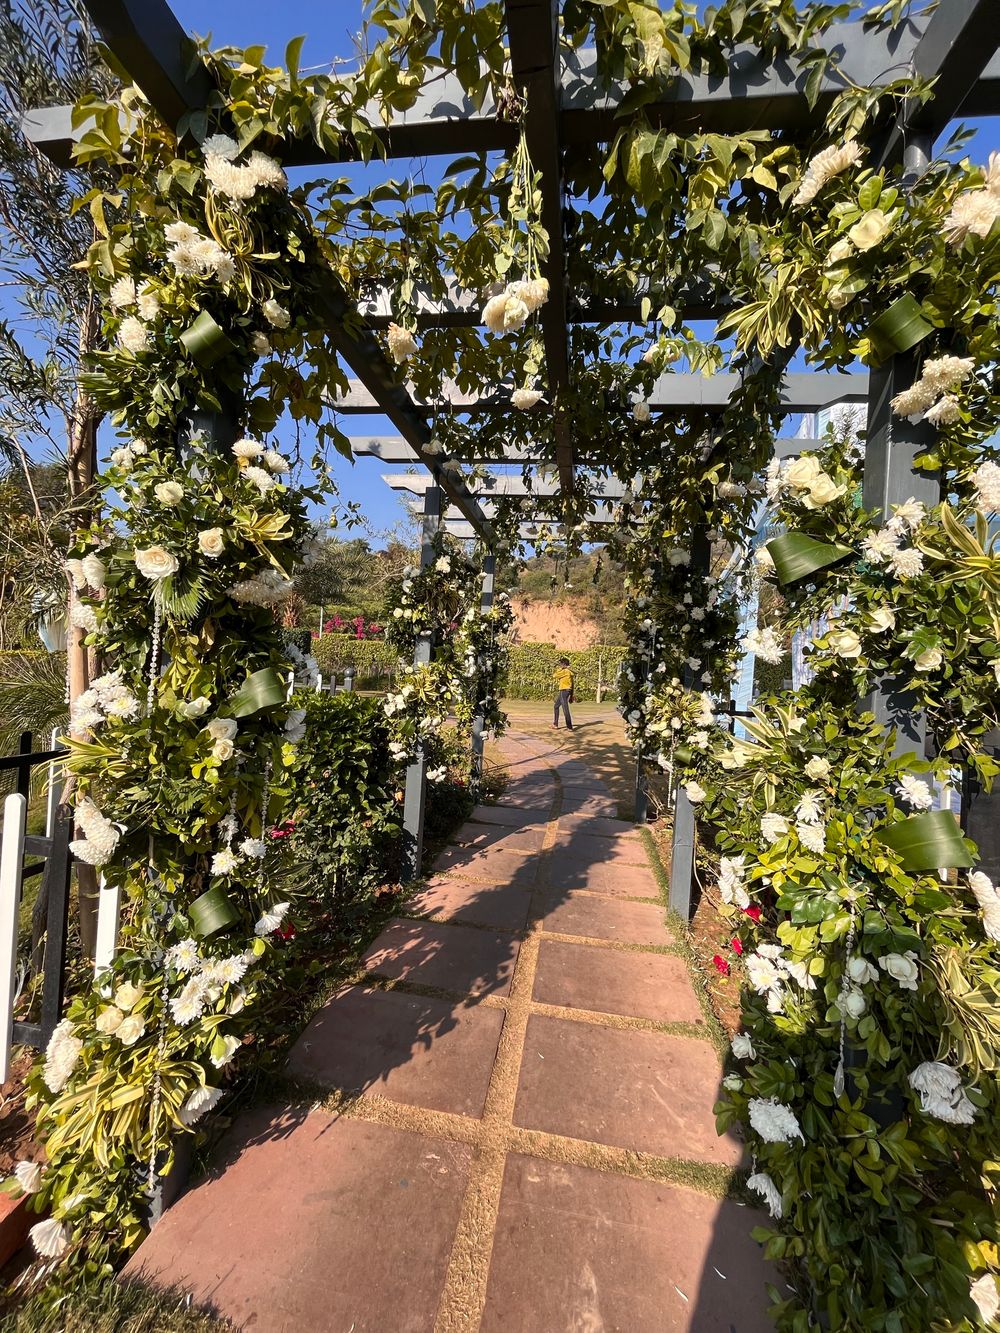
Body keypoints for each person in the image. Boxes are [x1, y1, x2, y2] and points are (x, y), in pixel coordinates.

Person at [552, 656, 574, 730]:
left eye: (560, 664)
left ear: (563, 664)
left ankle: (569, 726)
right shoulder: (570, 672)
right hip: (567, 690)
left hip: (563, 690)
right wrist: (571, 695)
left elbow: (554, 675)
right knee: (556, 706)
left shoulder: (565, 671)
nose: (559, 665)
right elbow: (572, 684)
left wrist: (561, 668)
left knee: (565, 709)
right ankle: (555, 724)